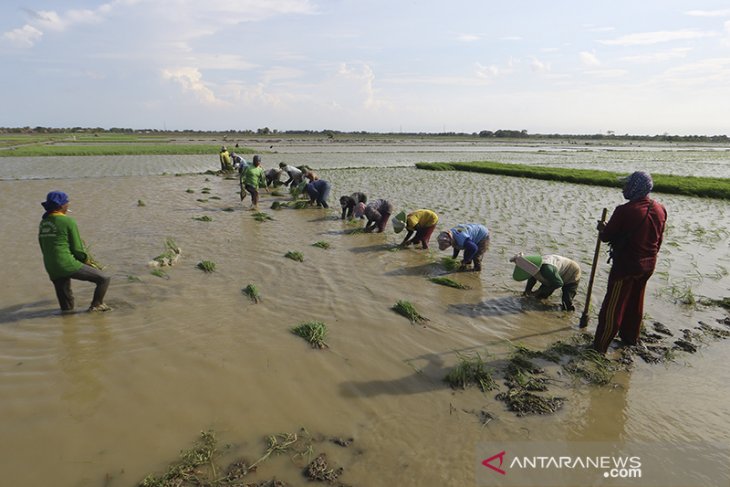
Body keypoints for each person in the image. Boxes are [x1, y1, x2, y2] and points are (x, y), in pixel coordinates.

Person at [592, 171, 667, 354]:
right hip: (648, 265)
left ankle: (600, 346)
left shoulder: (624, 210)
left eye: (627, 185)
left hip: (626, 266)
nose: (623, 188)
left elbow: (607, 236)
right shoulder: (659, 208)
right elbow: (659, 239)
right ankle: (630, 338)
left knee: (613, 306)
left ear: (635, 188)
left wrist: (603, 228)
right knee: (635, 301)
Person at [38, 191, 111, 312]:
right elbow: (77, 249)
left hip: (50, 266)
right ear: (61, 206)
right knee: (104, 278)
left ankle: (68, 326)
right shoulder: (68, 221)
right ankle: (97, 305)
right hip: (66, 263)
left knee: (67, 308)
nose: (68, 205)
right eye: (67, 203)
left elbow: (43, 245)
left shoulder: (44, 223)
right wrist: (88, 262)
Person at [510, 253, 582, 311]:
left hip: (571, 272)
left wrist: (537, 291)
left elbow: (558, 283)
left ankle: (568, 314)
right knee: (540, 296)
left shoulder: (546, 269)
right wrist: (527, 291)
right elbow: (532, 279)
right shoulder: (531, 268)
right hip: (555, 275)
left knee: (566, 302)